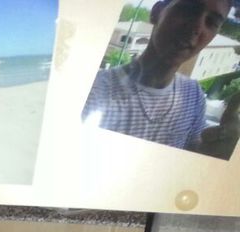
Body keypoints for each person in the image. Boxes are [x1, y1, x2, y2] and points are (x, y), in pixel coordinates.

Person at [81, 0, 234, 153]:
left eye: (212, 22)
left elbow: (191, 152)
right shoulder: (92, 91)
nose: (197, 27)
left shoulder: (194, 96)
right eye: (188, 9)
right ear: (156, 12)